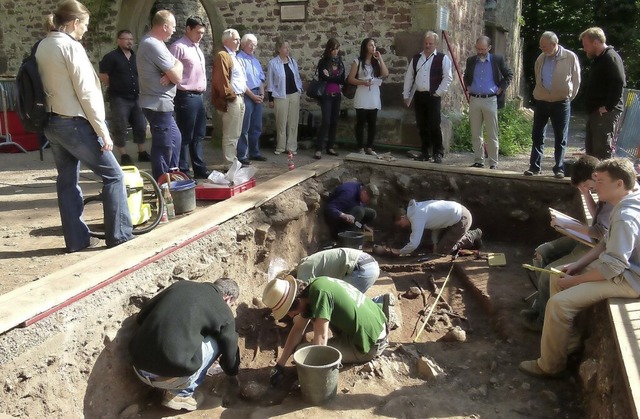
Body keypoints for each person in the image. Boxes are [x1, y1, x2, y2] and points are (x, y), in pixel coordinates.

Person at [519, 158, 640, 378]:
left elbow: (613, 267)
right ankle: (570, 342)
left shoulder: (625, 215)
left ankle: (550, 365)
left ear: (620, 184)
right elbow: (605, 242)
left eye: (601, 181)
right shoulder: (627, 199)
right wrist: (577, 265)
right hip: (621, 267)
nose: (595, 186)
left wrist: (574, 281)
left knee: (557, 303)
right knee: (558, 277)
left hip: (630, 278)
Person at [36, 0, 133, 252]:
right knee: (114, 175)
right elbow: (86, 94)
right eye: (85, 25)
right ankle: (119, 235)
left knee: (67, 182)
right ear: (74, 22)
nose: (86, 30)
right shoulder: (71, 47)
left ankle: (76, 241)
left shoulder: (42, 45)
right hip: (75, 123)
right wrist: (103, 132)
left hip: (51, 122)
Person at [521, 156, 613, 332]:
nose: (586, 189)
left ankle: (542, 321)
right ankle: (541, 304)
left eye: (585, 186)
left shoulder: (608, 189)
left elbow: (601, 232)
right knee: (542, 252)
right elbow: (597, 218)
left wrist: (568, 225)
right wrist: (585, 193)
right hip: (590, 239)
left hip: (597, 246)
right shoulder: (599, 186)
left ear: (594, 176)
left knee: (549, 274)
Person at [129, 278, 241, 411]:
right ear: (227, 298)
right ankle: (181, 395)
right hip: (171, 377)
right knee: (219, 340)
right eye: (232, 305)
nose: (230, 308)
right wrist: (233, 372)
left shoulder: (179, 286)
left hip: (138, 367)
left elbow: (141, 317)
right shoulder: (223, 311)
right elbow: (230, 350)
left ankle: (164, 384)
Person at [263, 275, 390, 386]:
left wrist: (312, 377)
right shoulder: (316, 286)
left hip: (371, 344)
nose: (290, 316)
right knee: (312, 331)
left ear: (296, 301)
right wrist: (280, 364)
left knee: (303, 352)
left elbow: (321, 340)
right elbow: (298, 329)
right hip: (374, 327)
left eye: (289, 312)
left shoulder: (319, 295)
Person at [524, 32, 581, 178]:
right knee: (537, 135)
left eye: (544, 46)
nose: (542, 49)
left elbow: (576, 80)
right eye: (540, 46)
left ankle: (559, 169)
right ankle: (534, 167)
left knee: (560, 136)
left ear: (554, 45)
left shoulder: (570, 57)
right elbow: (538, 77)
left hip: (561, 102)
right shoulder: (541, 58)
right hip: (542, 101)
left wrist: (567, 97)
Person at [137, 10, 184, 181]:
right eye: (172, 26)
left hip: (162, 102)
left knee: (175, 138)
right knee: (163, 144)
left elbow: (177, 67)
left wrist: (174, 68)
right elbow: (178, 76)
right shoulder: (153, 44)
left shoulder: (158, 43)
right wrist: (173, 71)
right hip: (157, 102)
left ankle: (172, 175)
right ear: (164, 26)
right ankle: (163, 183)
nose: (174, 30)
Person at [98, 30, 151, 166]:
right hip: (119, 97)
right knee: (120, 126)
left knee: (140, 125)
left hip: (136, 97)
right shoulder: (111, 57)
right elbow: (103, 75)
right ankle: (124, 154)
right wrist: (116, 85)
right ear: (118, 40)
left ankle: (142, 152)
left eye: (131, 39)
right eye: (126, 39)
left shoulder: (136, 57)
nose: (129, 42)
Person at [402, 31, 453, 163]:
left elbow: (447, 77)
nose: (428, 45)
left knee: (434, 124)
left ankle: (438, 152)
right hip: (419, 95)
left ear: (435, 44)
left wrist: (438, 92)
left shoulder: (442, 58)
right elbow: (409, 77)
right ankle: (425, 152)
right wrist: (406, 94)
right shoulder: (416, 58)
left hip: (433, 96)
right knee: (421, 125)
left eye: (430, 43)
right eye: (426, 43)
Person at [463, 36, 513, 170]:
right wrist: (467, 86)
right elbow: (466, 75)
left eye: (483, 49)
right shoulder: (471, 61)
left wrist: (500, 88)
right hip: (474, 99)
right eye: (478, 48)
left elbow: (509, 74)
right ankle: (479, 160)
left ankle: (493, 162)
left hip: (490, 99)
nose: (480, 51)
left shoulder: (497, 60)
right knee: (475, 132)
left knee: (492, 133)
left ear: (489, 48)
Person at [169, 16, 210, 179]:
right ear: (188, 29)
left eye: (202, 33)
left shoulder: (196, 48)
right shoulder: (178, 47)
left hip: (199, 96)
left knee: (199, 135)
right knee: (185, 135)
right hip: (185, 95)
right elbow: (171, 70)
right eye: (197, 32)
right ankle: (183, 170)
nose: (200, 35)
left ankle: (199, 168)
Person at [579, 27, 626, 160]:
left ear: (596, 42)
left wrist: (608, 107)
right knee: (591, 149)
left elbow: (619, 82)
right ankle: (594, 179)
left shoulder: (610, 57)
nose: (584, 49)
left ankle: (604, 179)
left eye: (586, 45)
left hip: (605, 112)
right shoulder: (600, 59)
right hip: (596, 111)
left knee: (601, 149)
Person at [393, 199, 482, 255]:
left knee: (442, 251)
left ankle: (473, 235)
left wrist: (400, 252)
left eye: (400, 223)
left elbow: (414, 244)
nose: (402, 226)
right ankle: (468, 239)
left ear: (403, 217)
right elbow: (436, 225)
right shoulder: (416, 209)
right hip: (456, 216)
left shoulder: (416, 217)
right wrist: (435, 243)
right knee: (438, 247)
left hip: (462, 220)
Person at [212, 28, 247, 170]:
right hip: (232, 99)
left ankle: (234, 160)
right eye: (236, 39)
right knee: (230, 134)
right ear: (226, 40)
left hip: (240, 97)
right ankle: (229, 164)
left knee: (236, 133)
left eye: (239, 39)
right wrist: (231, 97)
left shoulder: (234, 55)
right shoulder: (223, 55)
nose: (238, 41)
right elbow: (222, 80)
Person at [347, 37, 389, 156]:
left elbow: (385, 74)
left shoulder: (376, 63)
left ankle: (369, 146)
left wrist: (380, 58)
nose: (373, 47)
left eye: (374, 45)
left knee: (372, 123)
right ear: (365, 47)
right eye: (371, 45)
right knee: (361, 122)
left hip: (374, 94)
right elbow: (351, 79)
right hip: (362, 93)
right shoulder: (358, 61)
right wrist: (362, 82)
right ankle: (360, 146)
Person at [266, 38, 303, 155]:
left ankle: (291, 147)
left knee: (293, 122)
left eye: (288, 47)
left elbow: (297, 77)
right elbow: (270, 82)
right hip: (280, 96)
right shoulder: (273, 63)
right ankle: (280, 146)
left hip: (293, 94)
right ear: (279, 49)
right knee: (281, 122)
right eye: (285, 47)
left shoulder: (293, 62)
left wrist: (299, 90)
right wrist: (271, 99)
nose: (288, 50)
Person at [236, 34, 267, 165]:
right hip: (247, 94)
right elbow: (241, 82)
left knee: (256, 126)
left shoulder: (255, 60)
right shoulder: (239, 59)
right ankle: (242, 154)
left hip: (257, 93)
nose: (253, 46)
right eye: (250, 43)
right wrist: (252, 96)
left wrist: (262, 93)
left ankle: (254, 152)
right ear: (243, 44)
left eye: (255, 44)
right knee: (245, 126)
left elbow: (261, 78)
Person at [313, 38, 345, 160]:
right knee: (326, 121)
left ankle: (330, 146)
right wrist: (331, 78)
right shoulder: (323, 62)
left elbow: (342, 79)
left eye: (337, 48)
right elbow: (322, 77)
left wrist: (330, 77)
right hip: (326, 94)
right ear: (329, 49)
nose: (336, 51)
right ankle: (318, 148)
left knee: (334, 121)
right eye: (333, 48)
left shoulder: (340, 62)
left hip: (337, 94)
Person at [296, 248, 380, 294]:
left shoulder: (303, 272)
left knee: (340, 302)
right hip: (370, 265)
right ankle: (380, 302)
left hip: (361, 269)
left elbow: (303, 296)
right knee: (355, 300)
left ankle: (380, 304)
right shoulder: (308, 263)